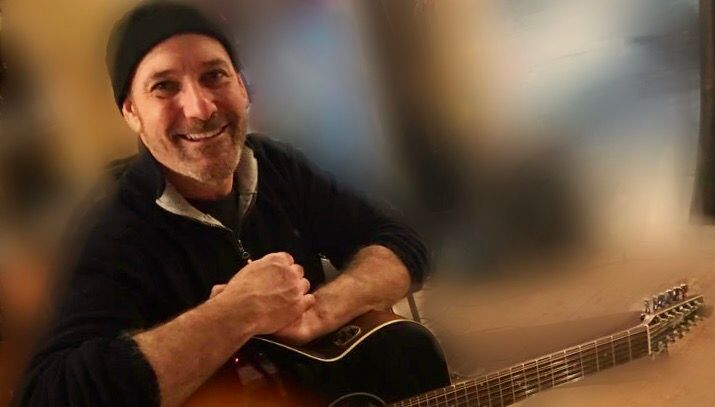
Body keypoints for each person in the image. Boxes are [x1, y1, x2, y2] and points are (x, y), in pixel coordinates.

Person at [14, 2, 429, 406]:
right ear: (132, 112)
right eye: (164, 86)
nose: (200, 108)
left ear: (243, 88)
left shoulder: (276, 166)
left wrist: (319, 310)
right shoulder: (107, 226)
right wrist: (234, 314)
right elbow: (50, 393)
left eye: (214, 75)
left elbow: (401, 241)